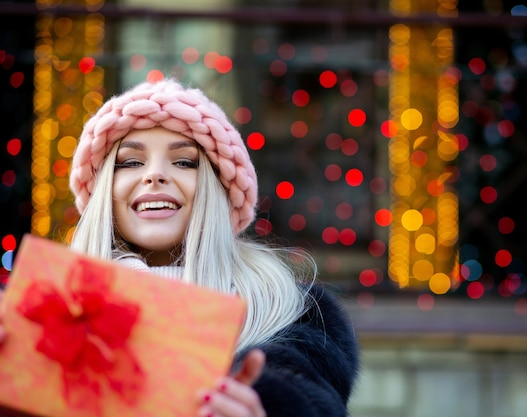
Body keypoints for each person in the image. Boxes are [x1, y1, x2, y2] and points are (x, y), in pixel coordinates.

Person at [0, 78, 359, 417]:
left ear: (218, 191)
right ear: (104, 191)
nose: (155, 175)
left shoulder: (296, 316)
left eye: (185, 161)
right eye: (131, 162)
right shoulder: (37, 311)